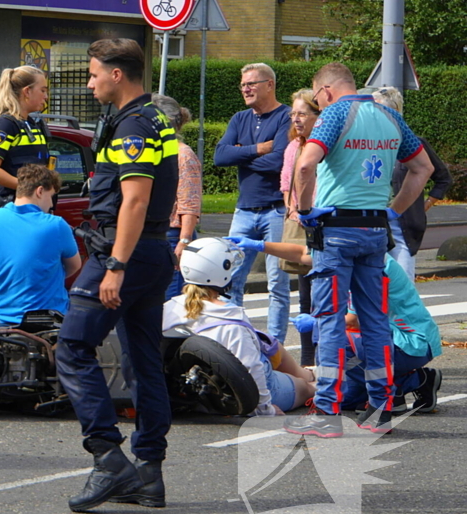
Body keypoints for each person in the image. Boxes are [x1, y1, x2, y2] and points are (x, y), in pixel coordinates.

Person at [53, 38, 178, 512]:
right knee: (142, 363)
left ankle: (107, 457)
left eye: (92, 74)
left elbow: (137, 199)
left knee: (72, 347)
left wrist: (116, 267)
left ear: (117, 75)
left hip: (123, 254)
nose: (90, 82)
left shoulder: (133, 126)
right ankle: (149, 474)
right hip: (151, 254)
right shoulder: (154, 118)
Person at [283, 62, 432, 438]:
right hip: (374, 231)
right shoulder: (389, 116)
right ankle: (381, 409)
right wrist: (391, 211)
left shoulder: (334, 114)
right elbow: (422, 168)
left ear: (327, 91)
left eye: (316, 98)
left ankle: (326, 413)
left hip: (335, 231)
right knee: (376, 320)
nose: (318, 104)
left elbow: (305, 166)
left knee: (330, 321)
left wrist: (305, 213)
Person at [233, 237, 443, 420]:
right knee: (347, 399)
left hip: (411, 343)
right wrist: (259, 245)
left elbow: (353, 320)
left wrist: (317, 323)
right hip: (393, 341)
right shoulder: (347, 255)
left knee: (333, 336)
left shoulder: (371, 267)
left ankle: (408, 382)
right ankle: (400, 388)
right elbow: (301, 253)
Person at [166, 238, 315, 416]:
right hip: (241, 389)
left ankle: (311, 374)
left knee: (266, 341)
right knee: (306, 388)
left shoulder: (169, 309)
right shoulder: (231, 321)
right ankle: (319, 380)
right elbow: (252, 368)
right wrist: (265, 409)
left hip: (194, 390)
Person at [213, 63, 291, 344]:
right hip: (244, 210)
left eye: (251, 84)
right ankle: (237, 339)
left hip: (276, 211)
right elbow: (220, 157)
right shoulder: (239, 118)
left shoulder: (286, 116)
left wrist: (241, 155)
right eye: (243, 85)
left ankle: (276, 346)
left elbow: (281, 161)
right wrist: (259, 148)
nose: (245, 89)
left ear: (269, 84)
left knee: (277, 284)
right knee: (229, 279)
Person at [0, 164, 80, 325]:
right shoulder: (55, 224)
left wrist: (2, 284)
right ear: (40, 191)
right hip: (51, 319)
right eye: (51, 197)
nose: (51, 204)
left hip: (3, 320)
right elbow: (74, 266)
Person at [370, 86, 452, 279]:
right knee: (373, 288)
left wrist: (424, 205)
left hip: (400, 227)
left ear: (393, 113)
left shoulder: (414, 144)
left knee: (403, 284)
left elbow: (442, 177)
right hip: (372, 224)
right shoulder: (367, 144)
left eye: (378, 110)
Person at [280, 89, 321, 367]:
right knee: (305, 298)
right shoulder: (293, 146)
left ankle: (328, 357)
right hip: (300, 226)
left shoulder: (323, 145)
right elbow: (286, 184)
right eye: (293, 114)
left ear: (317, 116)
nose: (296, 119)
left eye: (302, 114)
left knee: (326, 298)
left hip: (324, 228)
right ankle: (308, 360)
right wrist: (293, 208)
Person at [152, 94, 200, 299]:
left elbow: (189, 202)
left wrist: (184, 241)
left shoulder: (183, 155)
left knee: (170, 305)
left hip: (174, 236)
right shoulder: (156, 152)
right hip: (157, 234)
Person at [0, 65, 50, 207]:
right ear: (27, 91)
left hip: (34, 207)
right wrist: (28, 189)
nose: (46, 96)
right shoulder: (5, 124)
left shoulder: (32, 124)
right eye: (42, 90)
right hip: (13, 207)